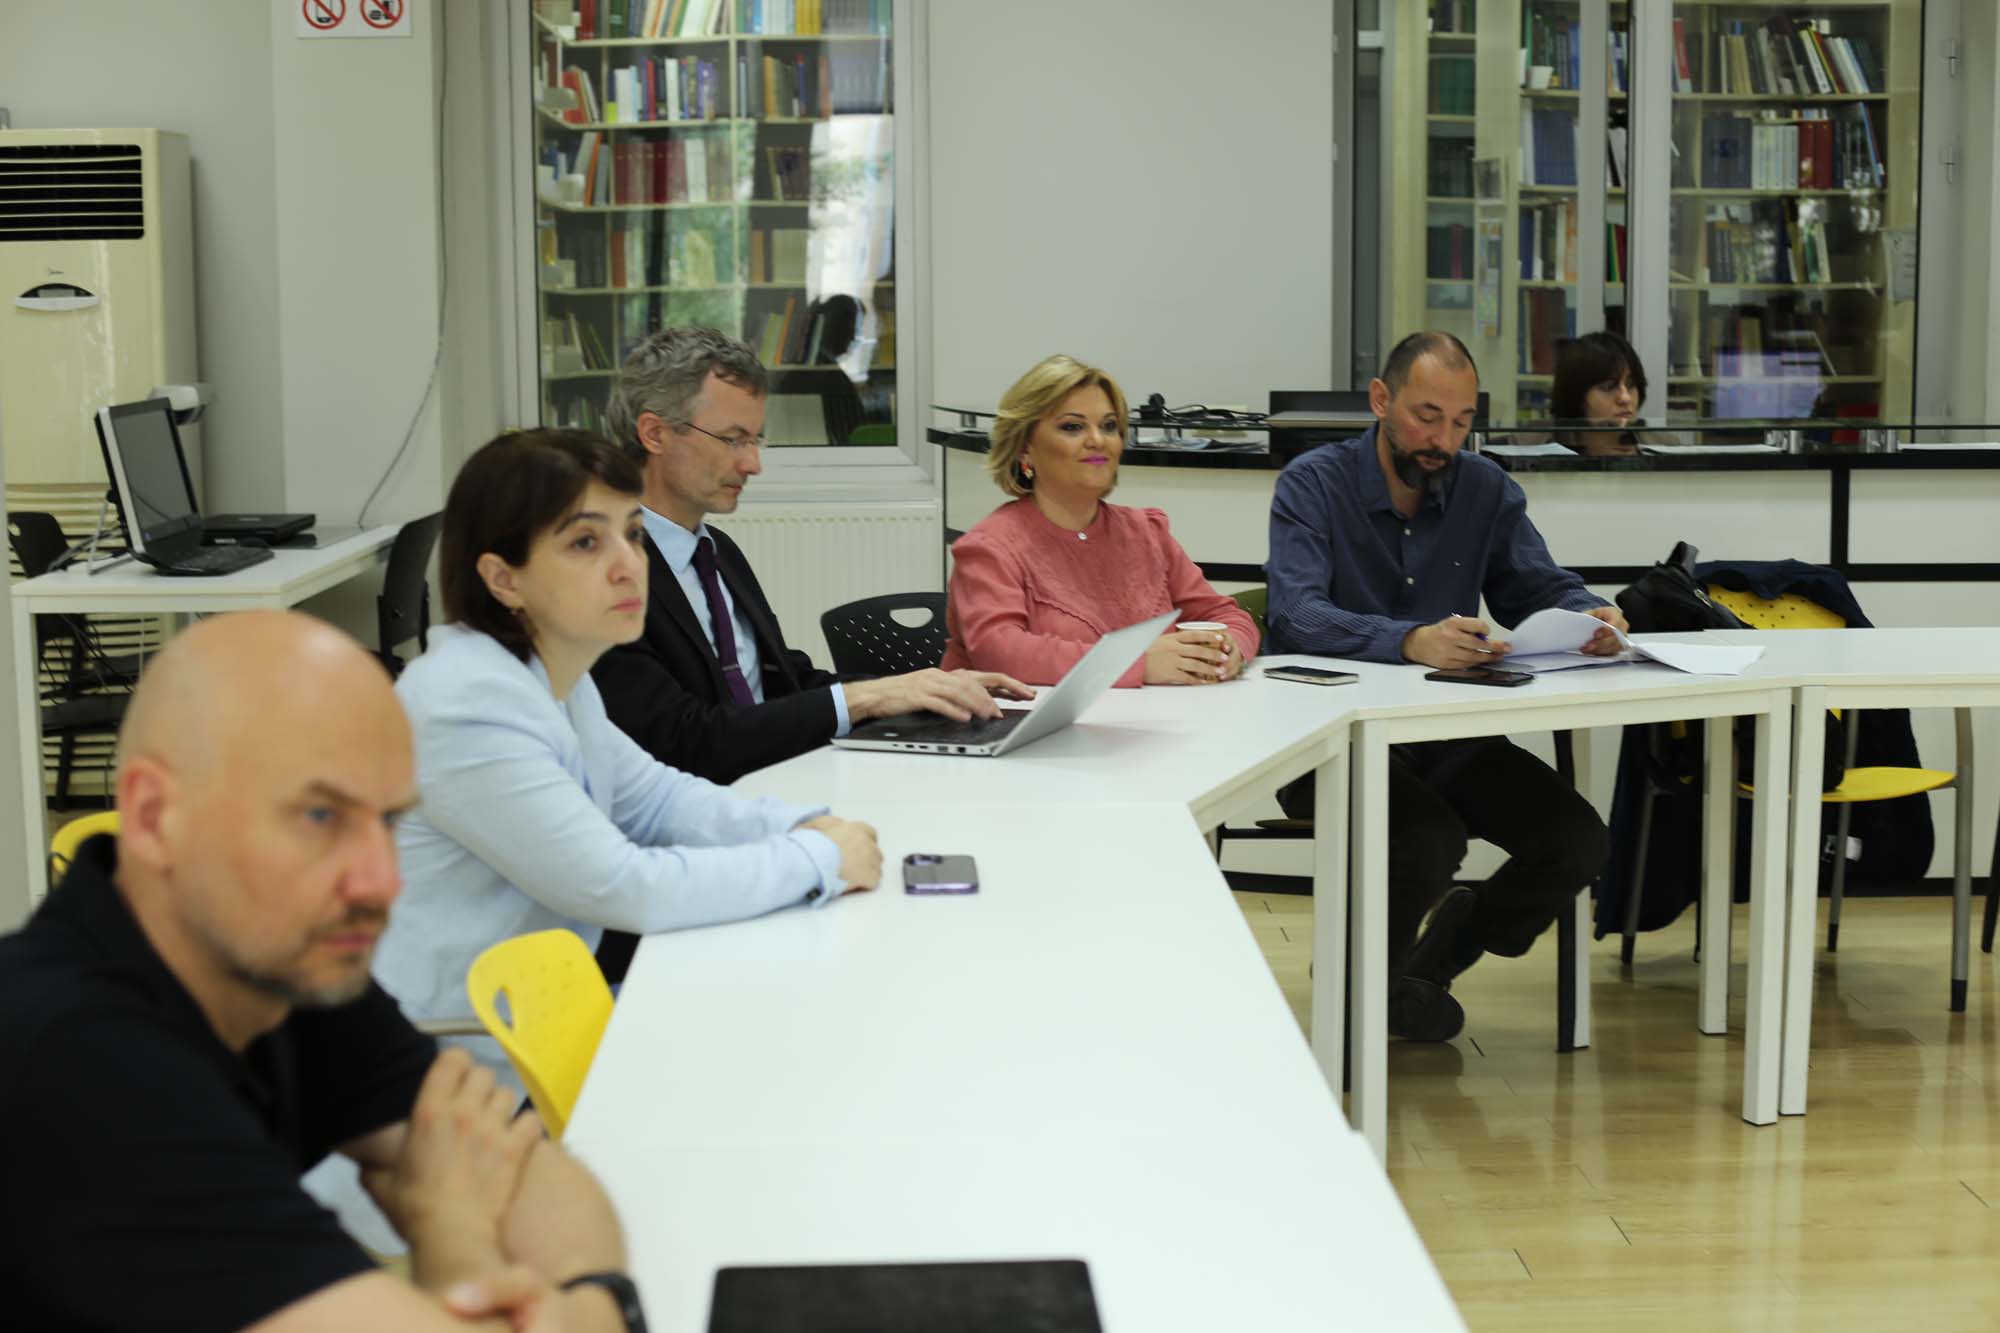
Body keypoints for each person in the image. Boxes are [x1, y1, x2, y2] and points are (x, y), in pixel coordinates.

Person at [0, 611, 634, 1331]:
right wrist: (451, 1231)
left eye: (388, 821)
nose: (380, 881)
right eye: (320, 816)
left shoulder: (275, 962)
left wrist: (595, 1296)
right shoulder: (80, 1066)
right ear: (152, 817)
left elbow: (528, 1174)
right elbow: (464, 1210)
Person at [373, 429, 884, 1061]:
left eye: (634, 534)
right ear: (503, 579)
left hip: (551, 1013)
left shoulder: (549, 673)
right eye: (586, 542)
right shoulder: (466, 705)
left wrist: (801, 824)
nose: (628, 565)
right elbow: (620, 885)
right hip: (473, 1066)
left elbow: (658, 801)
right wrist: (816, 859)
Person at [1266, 331, 1620, 1042]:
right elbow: (1296, 614)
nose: (1444, 441)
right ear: (1380, 400)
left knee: (1578, 842)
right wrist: (1408, 639)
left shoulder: (1484, 488)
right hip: (1331, 740)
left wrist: (1592, 614)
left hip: (1445, 734)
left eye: (1461, 422)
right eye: (1427, 416)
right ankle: (1361, 991)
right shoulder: (1313, 484)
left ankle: (1433, 963)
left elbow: (1535, 586)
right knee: (1426, 840)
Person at [593, 325, 1033, 787]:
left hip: (774, 779)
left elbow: (785, 682)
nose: (753, 464)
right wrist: (870, 698)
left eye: (756, 441)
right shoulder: (601, 575)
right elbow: (683, 740)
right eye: (732, 439)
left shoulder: (716, 551)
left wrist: (921, 689)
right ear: (655, 433)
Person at [939, 353, 1259, 685]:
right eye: (1073, 426)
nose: (1097, 440)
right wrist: (1136, 663)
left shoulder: (1148, 532)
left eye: (1108, 426)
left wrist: (1230, 648)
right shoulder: (989, 548)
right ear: (1025, 448)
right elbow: (1000, 653)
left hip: (1149, 715)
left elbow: (1226, 616)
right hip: (1018, 717)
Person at [1548, 330, 1652, 457]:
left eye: (1631, 385)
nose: (1625, 398)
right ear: (1575, 396)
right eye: (1608, 387)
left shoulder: (1663, 445)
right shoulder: (1540, 454)